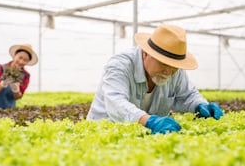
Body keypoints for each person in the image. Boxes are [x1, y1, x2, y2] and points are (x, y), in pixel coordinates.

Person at [86, 24, 223, 134]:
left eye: (174, 66)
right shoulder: (120, 65)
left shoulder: (175, 71)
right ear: (146, 53)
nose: (169, 71)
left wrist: (200, 105)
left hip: (143, 137)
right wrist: (149, 121)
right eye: (163, 63)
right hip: (105, 134)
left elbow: (188, 95)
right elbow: (115, 103)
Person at [0, 44, 38, 109]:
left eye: (25, 60)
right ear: (15, 55)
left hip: (9, 110)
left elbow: (17, 97)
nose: (21, 62)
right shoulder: (0, 68)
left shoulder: (26, 75)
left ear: (27, 62)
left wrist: (16, 89)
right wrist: (3, 83)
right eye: (20, 57)